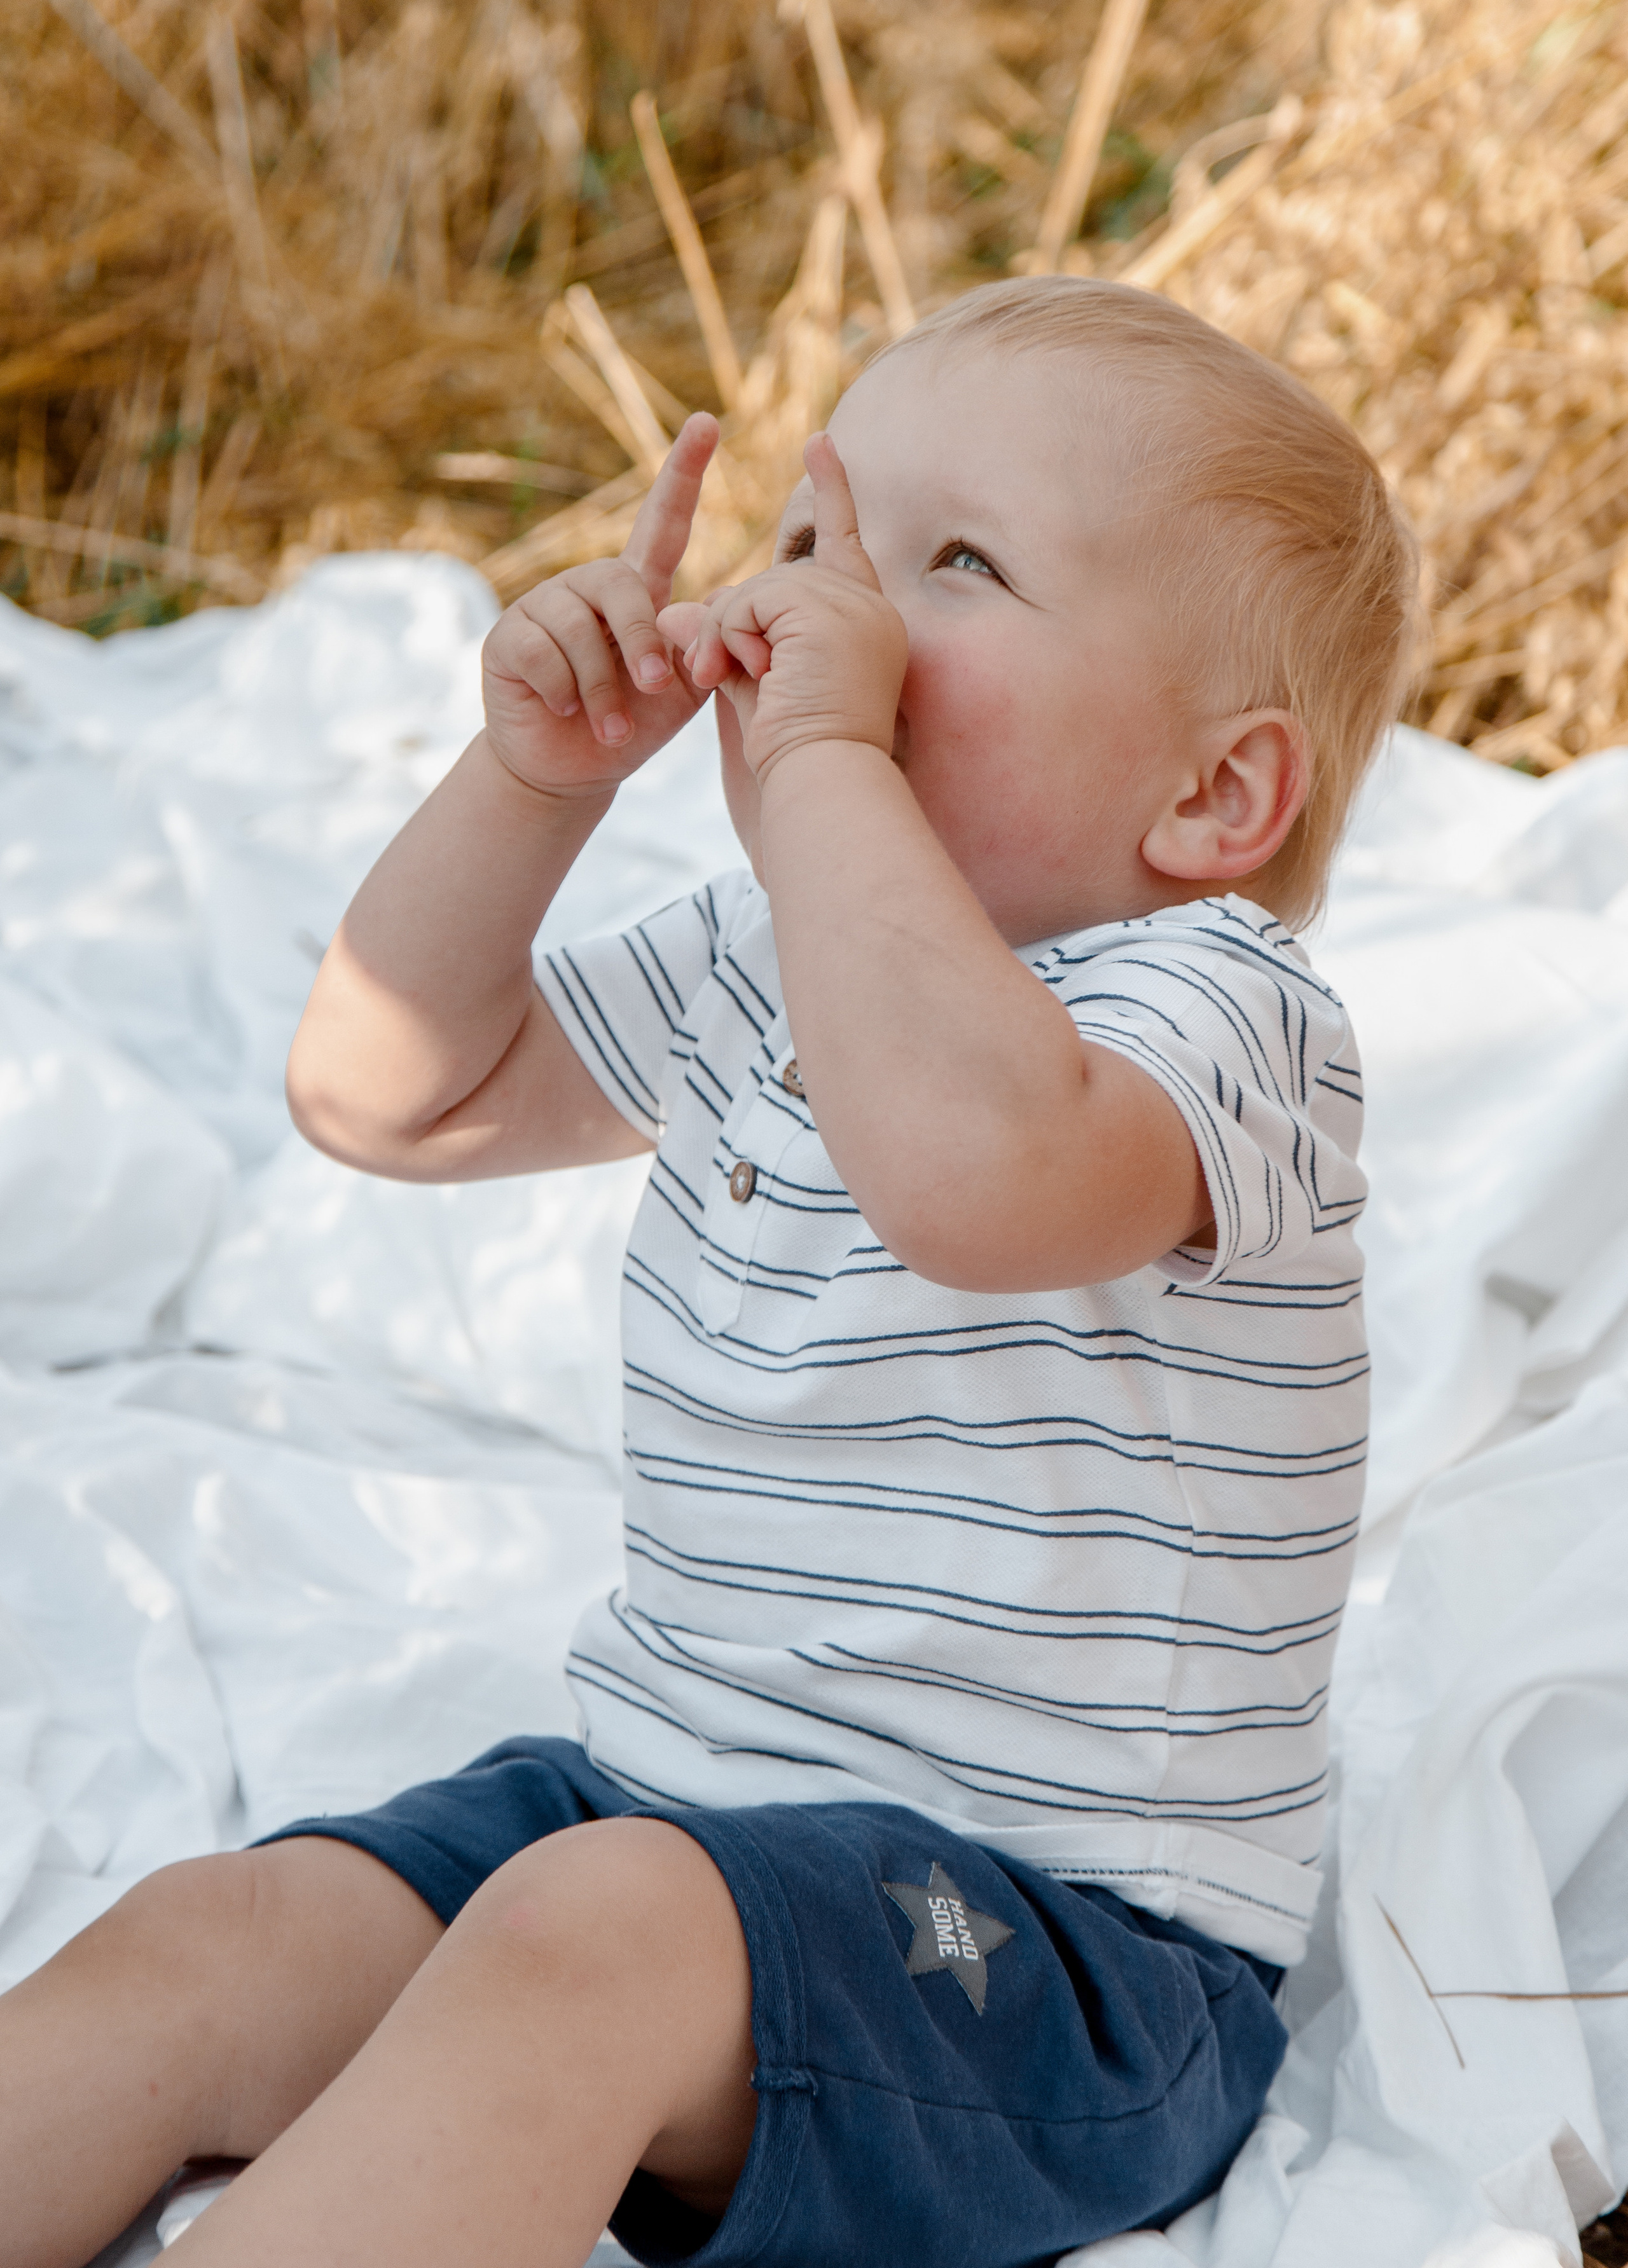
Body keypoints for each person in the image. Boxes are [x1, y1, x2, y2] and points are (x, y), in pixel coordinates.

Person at [0, 277, 1418, 2268]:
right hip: (653, 1814)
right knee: (220, 1934)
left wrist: (825, 762)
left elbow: (978, 1178)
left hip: (1052, 1954)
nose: (825, 612)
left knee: (602, 1931)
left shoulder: (1218, 1009)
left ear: (1213, 798)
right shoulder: (766, 954)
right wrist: (540, 782)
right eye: (815, 538)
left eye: (955, 565)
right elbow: (390, 1089)